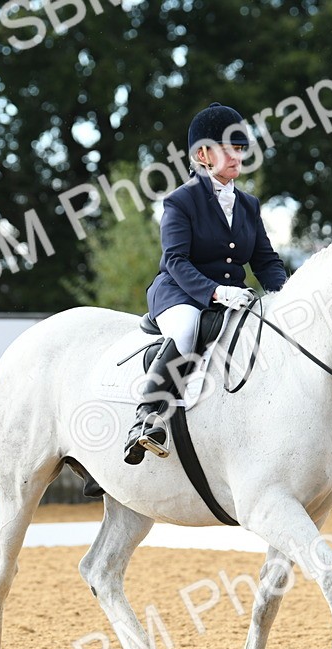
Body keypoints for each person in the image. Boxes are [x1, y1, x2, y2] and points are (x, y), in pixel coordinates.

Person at [123, 102, 288, 465]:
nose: (237, 156)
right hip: (180, 293)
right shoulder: (180, 201)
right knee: (186, 329)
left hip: (233, 298)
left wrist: (287, 297)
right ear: (203, 154)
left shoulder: (248, 204)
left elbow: (265, 261)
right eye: (228, 148)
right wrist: (215, 291)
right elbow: (175, 260)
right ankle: (146, 418)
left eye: (240, 149)